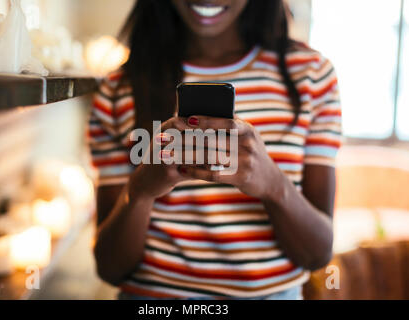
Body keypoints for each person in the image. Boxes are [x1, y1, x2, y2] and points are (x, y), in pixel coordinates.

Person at [89, 0, 342, 300]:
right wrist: (141, 191)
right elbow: (110, 268)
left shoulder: (312, 76)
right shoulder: (118, 89)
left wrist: (273, 185)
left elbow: (317, 255)